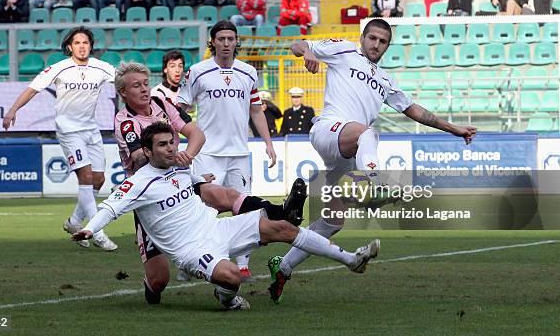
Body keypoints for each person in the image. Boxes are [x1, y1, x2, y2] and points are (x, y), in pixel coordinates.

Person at [266, 19, 478, 304]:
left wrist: (454, 128)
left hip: (349, 151)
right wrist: (308, 52)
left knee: (332, 221)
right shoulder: (344, 51)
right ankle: (374, 182)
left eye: (382, 41)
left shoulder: (386, 80)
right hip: (329, 129)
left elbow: (415, 111)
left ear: (387, 46)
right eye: (372, 38)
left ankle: (283, 267)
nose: (376, 44)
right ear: (362, 37)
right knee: (368, 132)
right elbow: (297, 43)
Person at [73, 121, 380, 310]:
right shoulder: (138, 182)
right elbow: (110, 208)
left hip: (218, 229)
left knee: (282, 227)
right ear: (148, 151)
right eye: (163, 145)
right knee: (232, 279)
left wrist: (201, 178)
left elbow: (198, 185)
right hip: (193, 250)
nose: (170, 149)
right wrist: (90, 229)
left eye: (172, 142)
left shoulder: (181, 166)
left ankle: (351, 260)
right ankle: (227, 299)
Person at [114, 63, 305, 303]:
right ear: (123, 92)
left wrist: (188, 158)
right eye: (136, 86)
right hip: (151, 198)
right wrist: (172, 157)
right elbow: (139, 158)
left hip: (181, 180)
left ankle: (282, 212)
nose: (144, 89)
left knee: (224, 195)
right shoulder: (125, 122)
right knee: (159, 280)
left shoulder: (162, 103)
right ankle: (151, 287)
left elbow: (197, 134)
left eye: (145, 83)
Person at [177, 20, 278, 281]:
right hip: (207, 154)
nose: (225, 43)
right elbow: (181, 108)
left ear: (236, 42)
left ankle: (242, 265)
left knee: (245, 208)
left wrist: (267, 143)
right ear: (213, 42)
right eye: (220, 39)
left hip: (239, 154)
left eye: (230, 39)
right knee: (204, 211)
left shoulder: (248, 73)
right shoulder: (197, 71)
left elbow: (256, 111)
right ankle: (190, 259)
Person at [3, 27, 118, 252]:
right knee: (85, 177)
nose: (82, 46)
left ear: (91, 46)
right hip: (68, 130)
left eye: (85, 42)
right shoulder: (59, 68)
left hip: (91, 129)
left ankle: (74, 222)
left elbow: (125, 82)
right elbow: (33, 89)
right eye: (77, 43)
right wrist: (13, 110)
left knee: (98, 180)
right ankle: (97, 232)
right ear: (69, 47)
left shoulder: (101, 68)